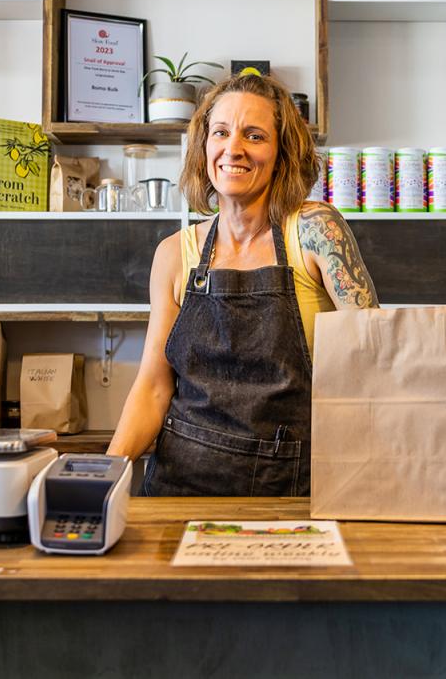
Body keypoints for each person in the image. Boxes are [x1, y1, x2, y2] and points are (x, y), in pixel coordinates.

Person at [107, 74, 378, 496]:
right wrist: (102, 476)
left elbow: (379, 360)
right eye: (221, 132)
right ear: (204, 147)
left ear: (282, 152)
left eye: (254, 135)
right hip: (178, 488)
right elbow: (154, 387)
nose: (233, 148)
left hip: (286, 489)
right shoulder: (174, 253)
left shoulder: (314, 231)